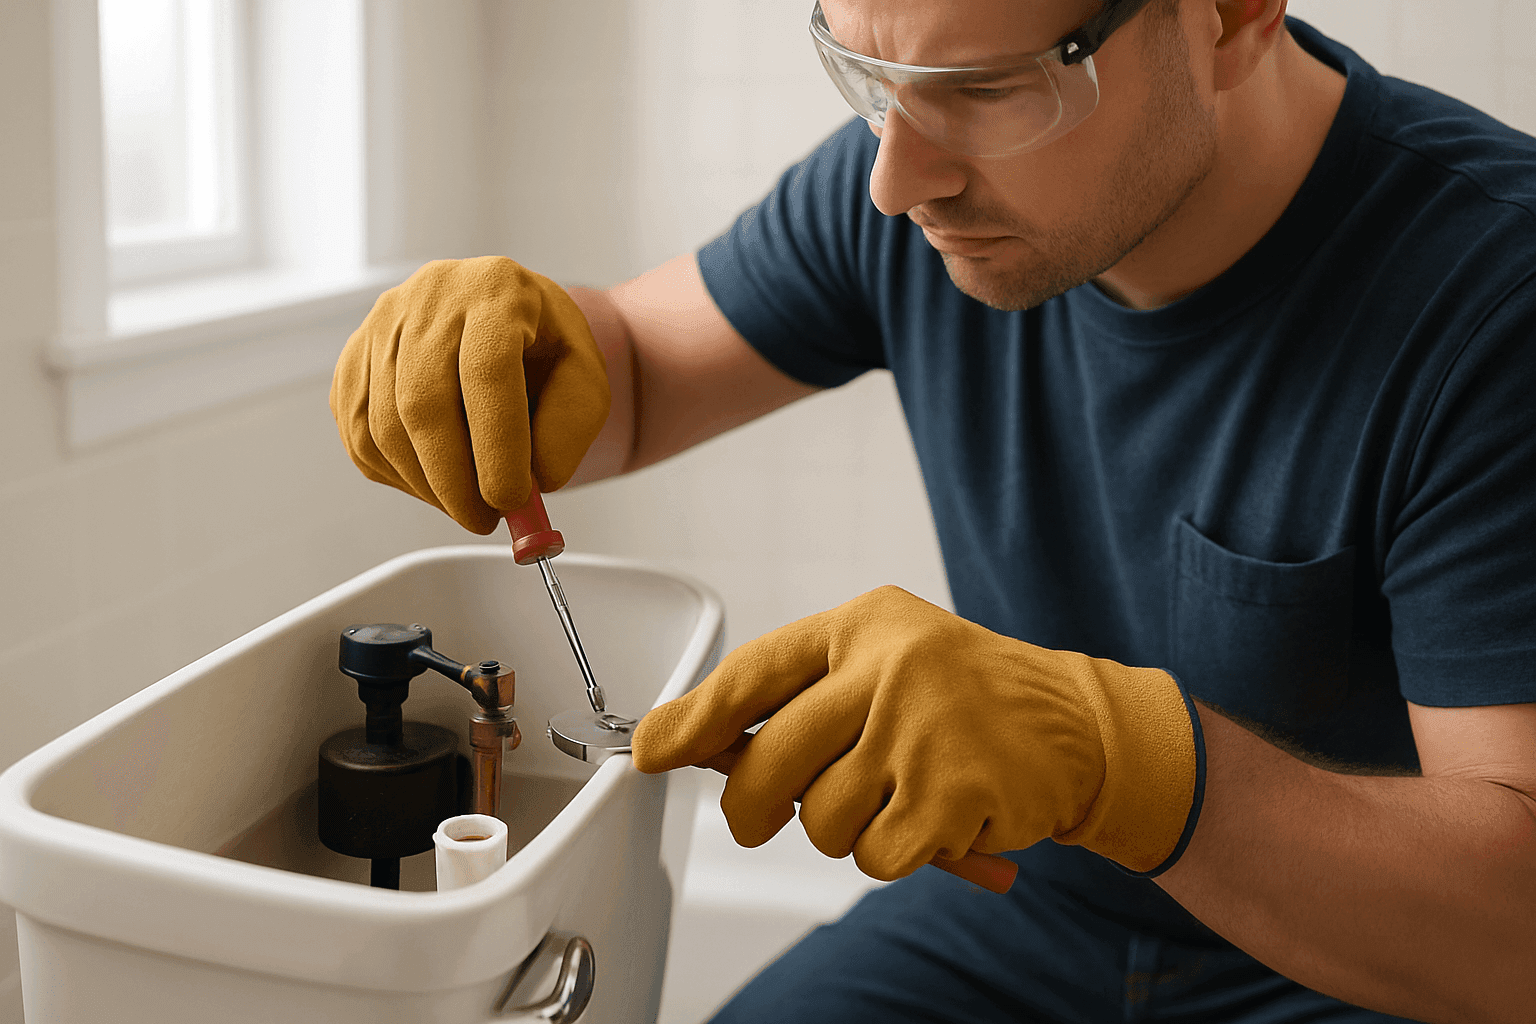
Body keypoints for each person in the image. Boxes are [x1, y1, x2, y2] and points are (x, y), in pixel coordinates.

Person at [329, 0, 1536, 1020]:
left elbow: (1514, 925)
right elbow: (637, 367)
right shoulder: (919, 186)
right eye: (866, 72)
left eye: (989, 88)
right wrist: (512, 346)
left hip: (1378, 965)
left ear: (1228, 17)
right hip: (1027, 907)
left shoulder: (1494, 298)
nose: (897, 178)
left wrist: (1125, 759)